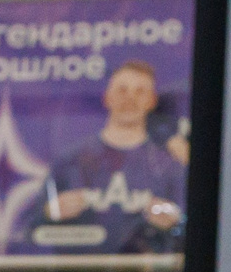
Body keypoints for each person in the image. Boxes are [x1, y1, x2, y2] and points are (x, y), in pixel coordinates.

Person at [36, 60, 188, 258]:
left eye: (140, 92)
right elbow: (30, 231)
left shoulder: (170, 165)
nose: (130, 99)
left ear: (152, 101)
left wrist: (174, 223)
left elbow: (193, 233)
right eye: (122, 90)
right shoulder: (71, 161)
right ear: (107, 97)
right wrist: (50, 214)